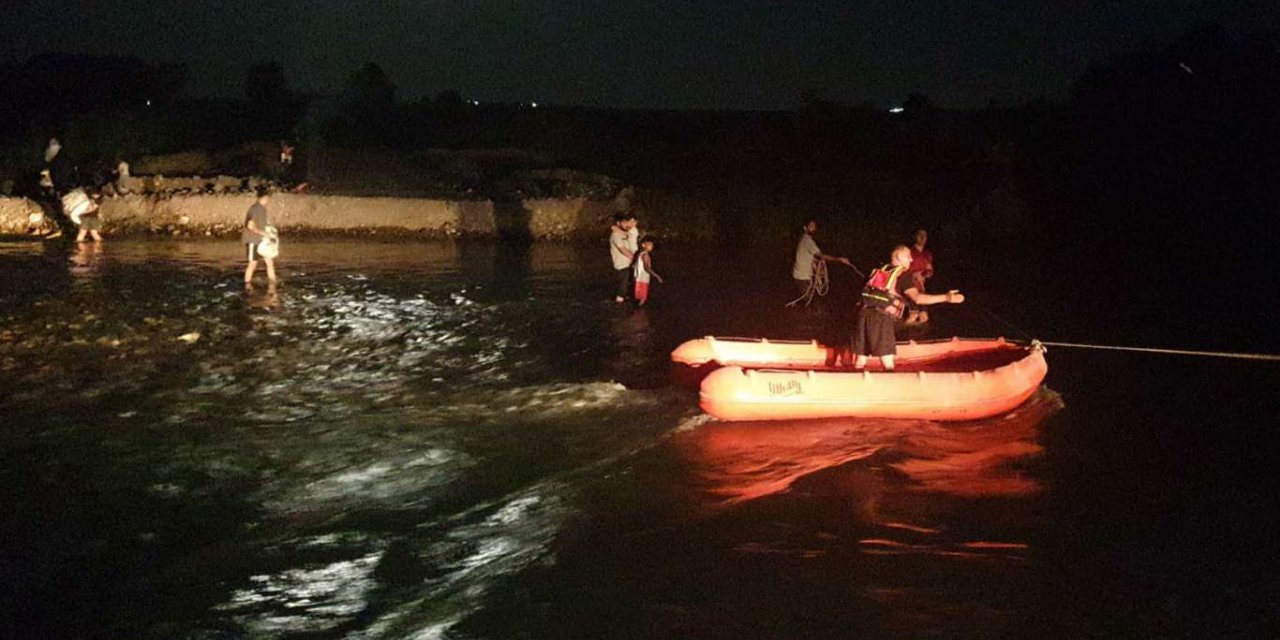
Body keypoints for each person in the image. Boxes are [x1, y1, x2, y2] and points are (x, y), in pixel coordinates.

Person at [851, 245, 964, 371]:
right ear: (899, 257)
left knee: (860, 360)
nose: (911, 260)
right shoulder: (903, 275)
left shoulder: (876, 271)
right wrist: (946, 297)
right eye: (908, 256)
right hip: (881, 318)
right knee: (888, 361)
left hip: (862, 315)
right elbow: (918, 298)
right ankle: (890, 380)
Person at [792, 217, 852, 295]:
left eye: (814, 226)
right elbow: (821, 256)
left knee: (810, 301)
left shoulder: (803, 239)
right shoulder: (807, 241)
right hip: (802, 278)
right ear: (805, 228)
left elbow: (810, 257)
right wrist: (839, 259)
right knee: (811, 303)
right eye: (811, 226)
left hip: (800, 276)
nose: (813, 228)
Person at [242, 186, 278, 285]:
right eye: (269, 198)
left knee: (270, 262)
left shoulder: (262, 209)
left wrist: (270, 231)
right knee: (252, 264)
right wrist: (265, 234)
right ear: (265, 197)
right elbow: (250, 226)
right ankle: (247, 285)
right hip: (253, 240)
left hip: (262, 240)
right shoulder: (256, 209)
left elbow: (262, 224)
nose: (269, 201)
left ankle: (273, 282)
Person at [906, 228, 935, 324]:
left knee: (924, 317)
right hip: (908, 288)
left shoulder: (927, 254)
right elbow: (902, 269)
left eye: (925, 236)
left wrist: (925, 274)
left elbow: (930, 271)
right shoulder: (909, 251)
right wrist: (914, 274)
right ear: (915, 236)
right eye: (920, 235)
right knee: (912, 316)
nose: (922, 238)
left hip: (921, 288)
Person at [609, 212, 638, 303]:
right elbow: (622, 249)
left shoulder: (632, 230)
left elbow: (629, 233)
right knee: (622, 287)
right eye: (626, 222)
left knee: (631, 285)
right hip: (622, 264)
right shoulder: (615, 235)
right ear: (618, 223)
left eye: (633, 222)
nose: (630, 224)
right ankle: (619, 306)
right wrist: (636, 260)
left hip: (630, 263)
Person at [633, 236, 664, 305]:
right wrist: (657, 276)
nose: (651, 246)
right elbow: (646, 267)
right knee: (643, 298)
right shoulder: (645, 255)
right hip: (643, 278)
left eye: (652, 245)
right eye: (649, 244)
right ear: (643, 245)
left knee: (639, 297)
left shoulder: (640, 254)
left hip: (638, 278)